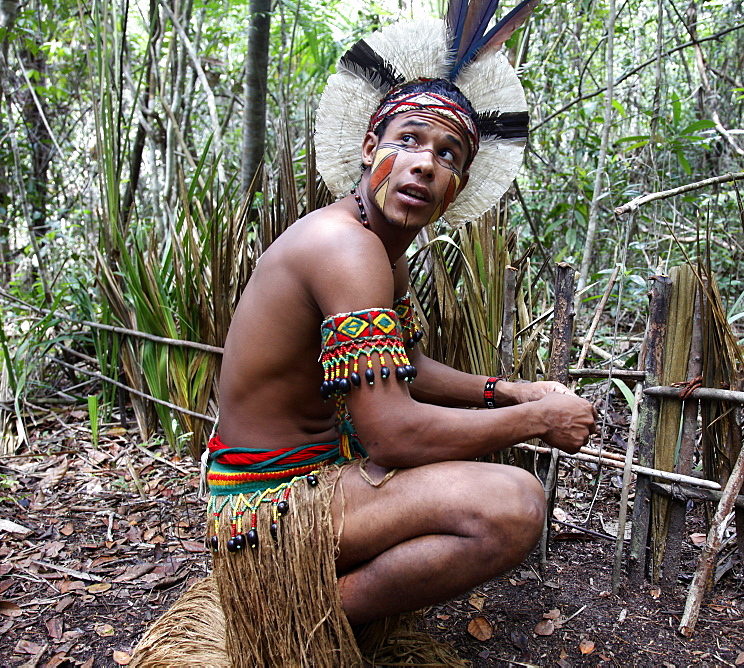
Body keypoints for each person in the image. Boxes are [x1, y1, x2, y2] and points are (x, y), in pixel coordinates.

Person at [131, 8, 597, 667]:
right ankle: (295, 618)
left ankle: (314, 611)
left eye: (447, 155)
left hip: (310, 483)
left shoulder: (380, 248)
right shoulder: (344, 249)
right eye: (408, 139)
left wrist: (503, 390)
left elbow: (401, 364)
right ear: (367, 150)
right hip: (266, 509)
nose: (425, 164)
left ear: (458, 186)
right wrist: (536, 417)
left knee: (471, 476)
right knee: (514, 504)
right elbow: (393, 434)